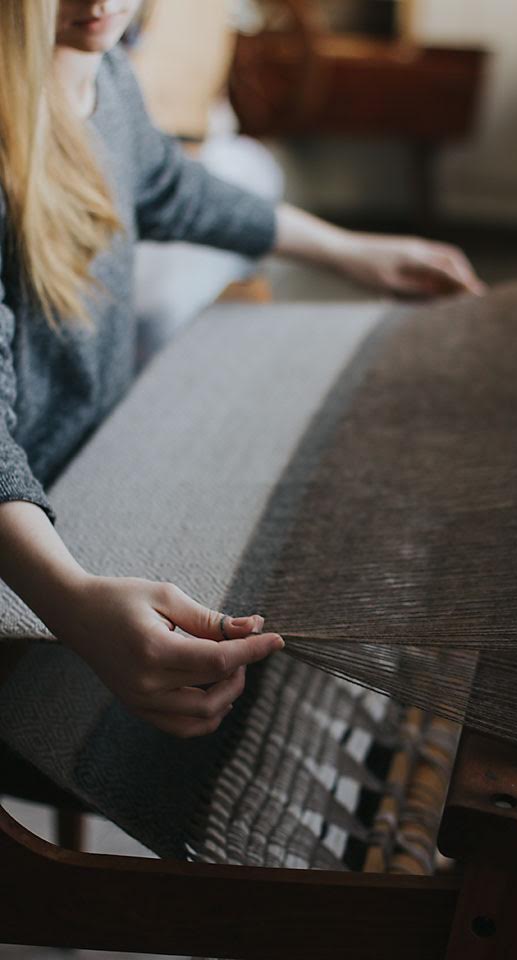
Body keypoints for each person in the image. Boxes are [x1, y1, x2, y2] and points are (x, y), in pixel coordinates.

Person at [0, 0, 484, 740]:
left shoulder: (105, 77)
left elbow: (172, 189)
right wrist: (70, 600)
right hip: (27, 547)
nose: (97, 3)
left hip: (84, 476)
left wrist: (352, 250)